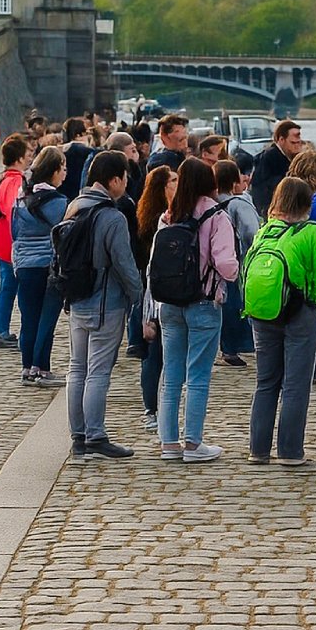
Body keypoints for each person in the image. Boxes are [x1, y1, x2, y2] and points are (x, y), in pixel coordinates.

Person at [246, 177, 316, 466]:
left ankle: (258, 450)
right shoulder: (311, 231)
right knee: (296, 384)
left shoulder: (265, 231)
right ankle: (290, 451)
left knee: (266, 382)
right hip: (300, 313)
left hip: (263, 312)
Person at [158, 157, 240, 463]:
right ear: (211, 183)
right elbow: (226, 265)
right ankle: (193, 443)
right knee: (198, 375)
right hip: (203, 303)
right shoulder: (216, 215)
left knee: (171, 374)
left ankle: (168, 442)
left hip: (169, 303)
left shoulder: (168, 215)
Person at [65, 150, 144, 462]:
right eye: (124, 178)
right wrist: (138, 294)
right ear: (114, 180)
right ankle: (95, 435)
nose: (126, 184)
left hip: (77, 300)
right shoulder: (112, 217)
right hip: (106, 303)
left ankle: (78, 436)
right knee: (98, 371)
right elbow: (125, 264)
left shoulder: (73, 207)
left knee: (77, 368)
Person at [11, 145, 68, 387]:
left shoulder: (20, 198)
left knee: (28, 319)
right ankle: (41, 369)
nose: (65, 173)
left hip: (24, 265)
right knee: (47, 319)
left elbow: (14, 232)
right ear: (54, 171)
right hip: (48, 265)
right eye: (63, 168)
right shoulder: (59, 202)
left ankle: (27, 368)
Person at [133, 164, 177, 433]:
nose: (177, 183)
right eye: (173, 180)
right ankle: (150, 409)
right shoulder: (151, 222)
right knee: (154, 355)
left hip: (170, 294)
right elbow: (146, 269)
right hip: (153, 295)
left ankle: (164, 409)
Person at [0, 134, 31, 349]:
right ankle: (0, 331)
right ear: (20, 158)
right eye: (28, 155)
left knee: (5, 285)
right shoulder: (15, 181)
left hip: (2, 236)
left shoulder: (4, 178)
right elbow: (12, 209)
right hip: (10, 238)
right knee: (8, 287)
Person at [215, 160, 260, 367]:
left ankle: (224, 346)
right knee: (235, 303)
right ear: (234, 183)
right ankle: (234, 346)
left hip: (215, 263)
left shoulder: (210, 204)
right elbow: (253, 233)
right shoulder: (239, 204)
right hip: (236, 261)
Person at [250, 119, 304, 215]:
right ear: (281, 140)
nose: (297, 147)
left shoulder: (291, 157)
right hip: (270, 209)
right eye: (293, 143)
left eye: (299, 143)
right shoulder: (269, 157)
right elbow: (261, 188)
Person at [58, 117, 94, 200]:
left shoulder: (59, 151)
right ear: (78, 135)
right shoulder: (88, 152)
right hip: (81, 195)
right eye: (86, 133)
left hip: (62, 193)